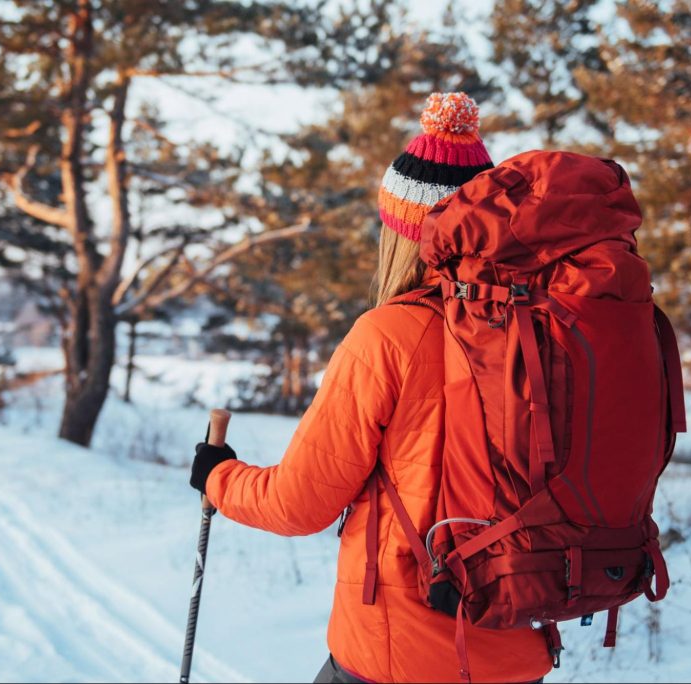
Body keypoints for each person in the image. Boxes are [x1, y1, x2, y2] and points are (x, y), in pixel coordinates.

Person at [189, 93, 553, 683]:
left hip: (399, 655)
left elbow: (298, 504)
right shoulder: (537, 329)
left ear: (403, 234)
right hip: (518, 653)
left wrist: (217, 475)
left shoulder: (390, 335)